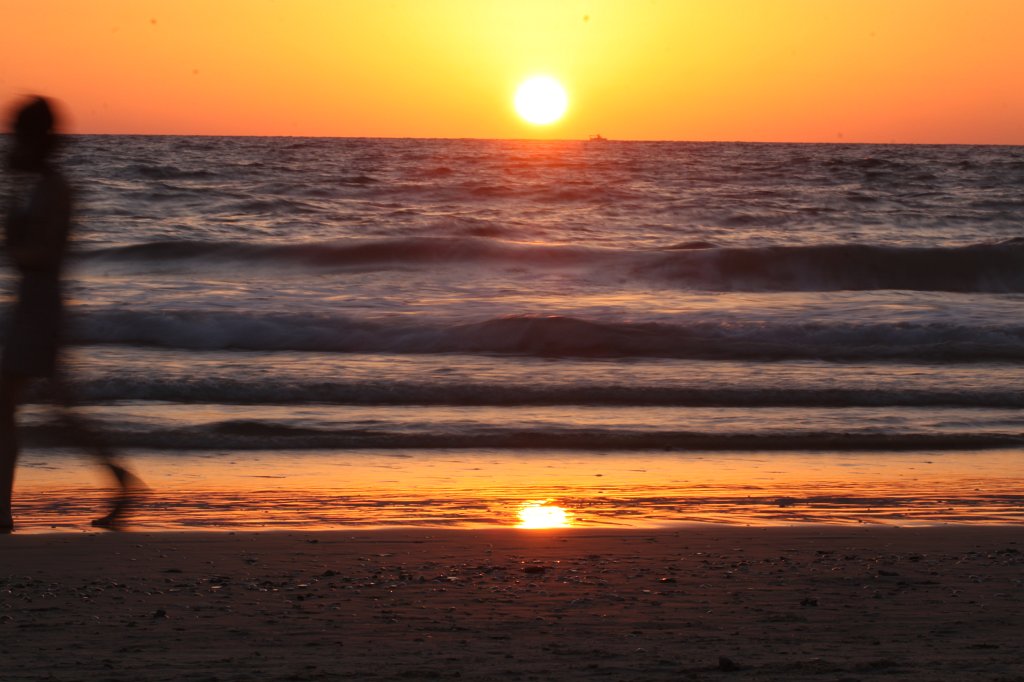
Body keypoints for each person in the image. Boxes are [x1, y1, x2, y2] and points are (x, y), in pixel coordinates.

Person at [0, 96, 141, 532]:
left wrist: (13, 241)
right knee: (50, 408)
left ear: (36, 138)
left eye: (19, 133)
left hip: (41, 306)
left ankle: (4, 512)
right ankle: (119, 481)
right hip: (35, 304)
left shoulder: (54, 188)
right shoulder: (38, 184)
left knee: (15, 406)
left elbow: (43, 252)